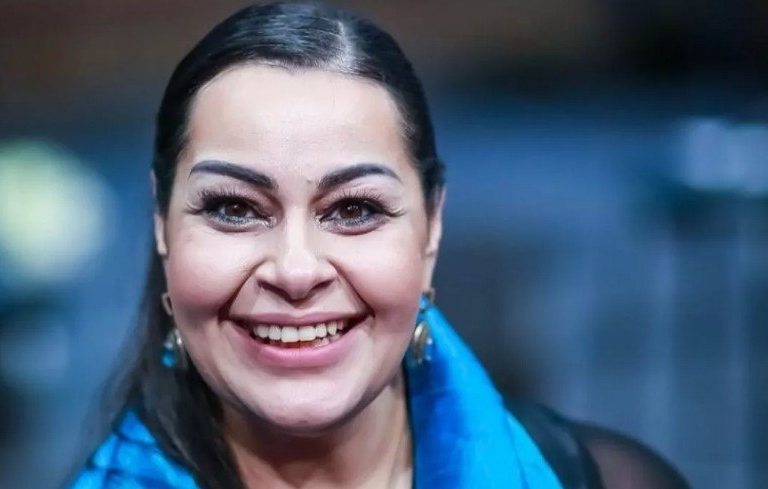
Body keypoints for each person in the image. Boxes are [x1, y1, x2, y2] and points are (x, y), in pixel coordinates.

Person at [69, 2, 689, 488]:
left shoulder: (606, 480)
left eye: (354, 209)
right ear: (162, 224)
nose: (295, 270)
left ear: (432, 226)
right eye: (234, 209)